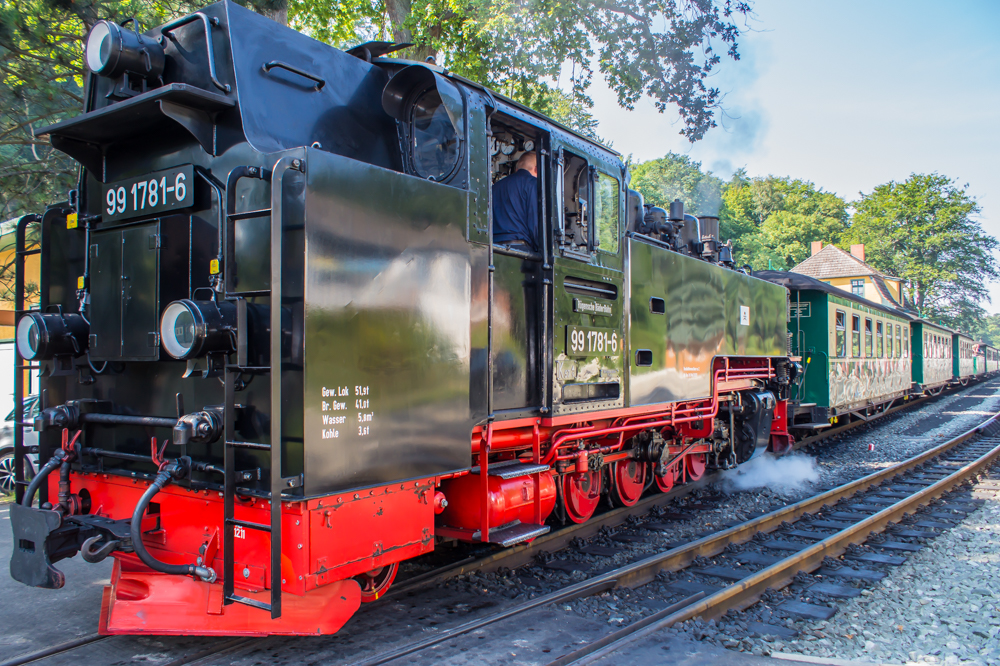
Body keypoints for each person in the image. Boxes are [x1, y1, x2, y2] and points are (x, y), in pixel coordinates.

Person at [492, 152, 538, 252]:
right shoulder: (533, 184)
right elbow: (535, 222)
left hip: (494, 248)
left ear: (516, 169)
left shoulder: (495, 187)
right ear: (536, 169)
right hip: (520, 248)